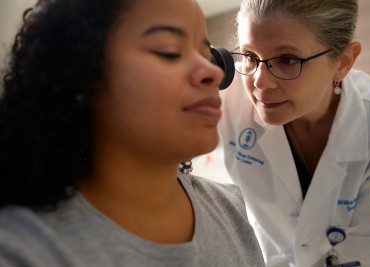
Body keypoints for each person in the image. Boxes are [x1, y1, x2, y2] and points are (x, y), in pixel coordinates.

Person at [0, 0, 265, 266]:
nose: (213, 71)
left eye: (207, 55)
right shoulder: (22, 248)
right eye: (170, 52)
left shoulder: (229, 207)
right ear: (81, 73)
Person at [218, 0, 370, 266]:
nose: (259, 81)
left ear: (344, 62)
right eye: (250, 57)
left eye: (287, 60)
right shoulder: (227, 103)